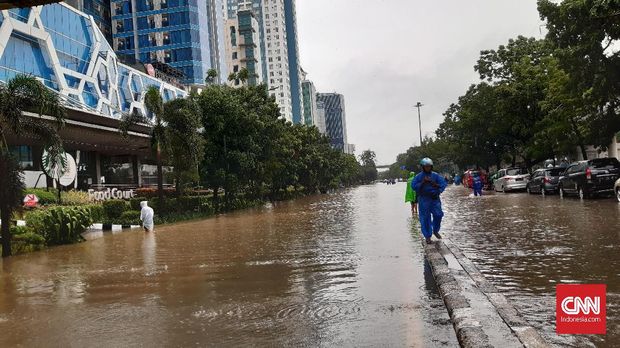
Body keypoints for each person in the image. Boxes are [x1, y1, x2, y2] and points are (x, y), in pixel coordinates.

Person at [412, 158, 447, 244]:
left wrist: (436, 187)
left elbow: (443, 184)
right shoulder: (418, 176)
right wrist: (423, 182)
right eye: (426, 167)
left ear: (431, 167)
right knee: (425, 218)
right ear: (423, 167)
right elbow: (414, 186)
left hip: (434, 199)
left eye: (429, 167)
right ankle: (427, 236)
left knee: (438, 214)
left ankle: (435, 230)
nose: (427, 168)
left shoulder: (436, 175)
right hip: (424, 199)